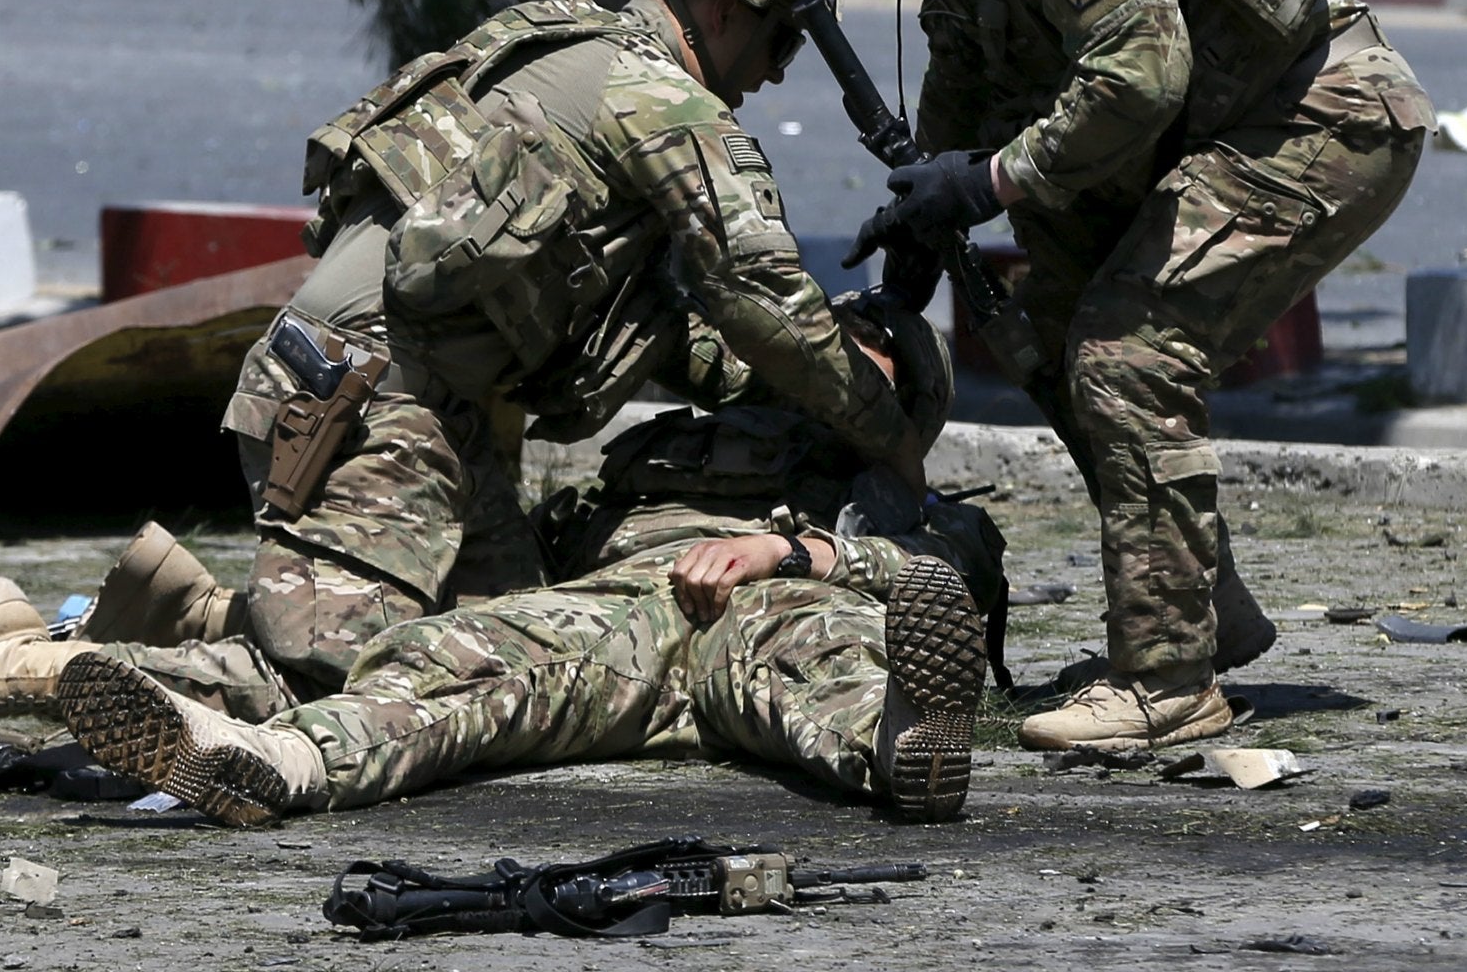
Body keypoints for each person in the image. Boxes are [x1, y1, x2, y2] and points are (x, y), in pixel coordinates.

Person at [0, 0, 923, 724]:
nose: (779, 72)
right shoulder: (669, 112)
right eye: (782, 37)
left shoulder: (553, 48)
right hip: (379, 411)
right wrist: (878, 425)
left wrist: (767, 373)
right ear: (727, 4)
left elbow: (659, 326)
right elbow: (766, 298)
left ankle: (158, 605)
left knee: (491, 661)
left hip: (407, 409)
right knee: (337, 685)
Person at [778, 0, 1435, 750]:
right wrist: (924, 218)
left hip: (1317, 119)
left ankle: (1167, 686)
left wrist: (983, 181)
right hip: (1194, 133)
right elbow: (962, 78)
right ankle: (1202, 612)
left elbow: (1137, 79)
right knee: (1046, 329)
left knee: (1128, 355)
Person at [55, 301, 1000, 826]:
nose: (837, 382)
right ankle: (261, 750)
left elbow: (946, 570)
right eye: (835, 355)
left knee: (826, 659)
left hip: (780, 601)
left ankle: (903, 751)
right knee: (463, 654)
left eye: (871, 370)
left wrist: (797, 550)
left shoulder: (905, 503)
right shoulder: (703, 445)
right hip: (641, 609)